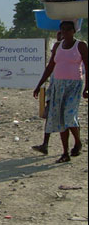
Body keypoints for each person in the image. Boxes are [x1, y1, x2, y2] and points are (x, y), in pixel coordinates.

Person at [33, 20, 88, 163]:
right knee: (60, 118)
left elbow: (87, 66)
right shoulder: (58, 46)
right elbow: (50, 66)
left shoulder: (81, 45)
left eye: (68, 29)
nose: (65, 32)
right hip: (58, 84)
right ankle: (65, 153)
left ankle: (77, 142)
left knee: (69, 115)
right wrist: (39, 84)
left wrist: (87, 87)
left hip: (74, 85)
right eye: (63, 29)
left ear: (73, 31)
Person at [32, 30, 63, 155]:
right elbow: (50, 68)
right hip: (55, 86)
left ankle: (75, 144)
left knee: (67, 117)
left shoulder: (73, 49)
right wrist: (39, 85)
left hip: (67, 87)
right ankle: (45, 144)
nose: (60, 36)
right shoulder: (58, 50)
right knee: (50, 115)